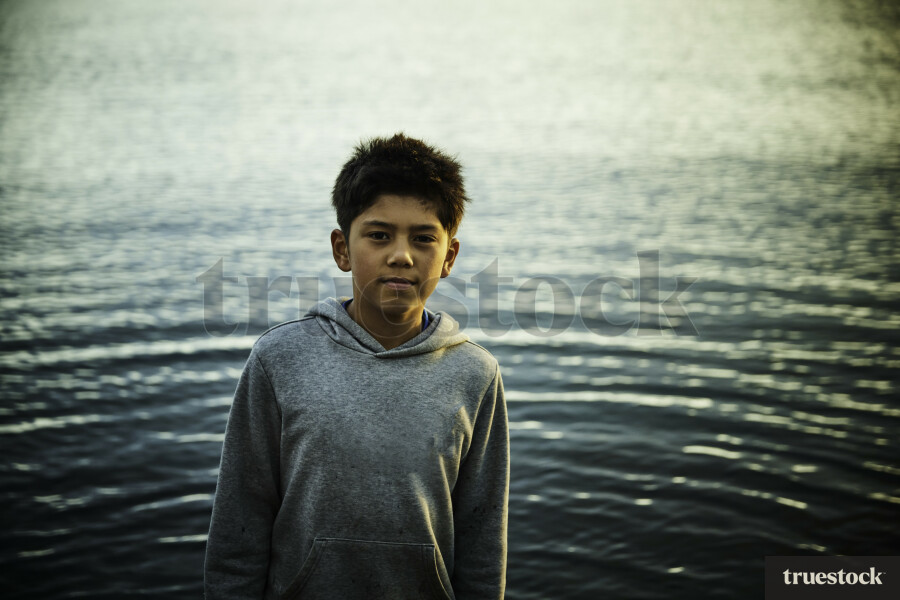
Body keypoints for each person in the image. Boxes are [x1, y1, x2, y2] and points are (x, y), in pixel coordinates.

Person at [204, 133, 509, 599]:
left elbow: (482, 538)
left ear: (448, 256)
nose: (401, 255)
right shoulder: (280, 360)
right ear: (343, 248)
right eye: (379, 235)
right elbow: (239, 523)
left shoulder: (474, 375)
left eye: (424, 238)